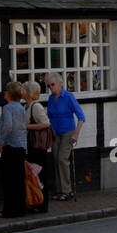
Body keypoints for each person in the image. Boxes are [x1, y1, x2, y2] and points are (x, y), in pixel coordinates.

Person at [46, 72, 85, 201]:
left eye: (53, 84)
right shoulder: (51, 99)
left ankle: (67, 191)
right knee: (56, 159)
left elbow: (81, 117)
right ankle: (59, 190)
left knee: (62, 159)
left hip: (68, 132)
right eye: (49, 85)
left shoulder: (68, 97)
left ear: (60, 83)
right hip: (55, 133)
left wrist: (76, 134)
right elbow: (50, 117)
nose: (51, 87)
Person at [0, 81, 28, 218]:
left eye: (5, 91)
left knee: (8, 180)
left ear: (8, 94)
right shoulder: (21, 107)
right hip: (21, 146)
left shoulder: (8, 108)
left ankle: (9, 210)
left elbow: (8, 126)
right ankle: (21, 208)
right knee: (19, 180)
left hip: (10, 146)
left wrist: (0, 141)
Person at [23, 80, 51, 213]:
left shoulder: (36, 106)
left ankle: (42, 204)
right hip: (31, 145)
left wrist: (27, 127)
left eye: (24, 89)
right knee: (33, 175)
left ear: (28, 92)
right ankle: (35, 200)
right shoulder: (27, 106)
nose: (22, 92)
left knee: (39, 174)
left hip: (38, 146)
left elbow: (46, 124)